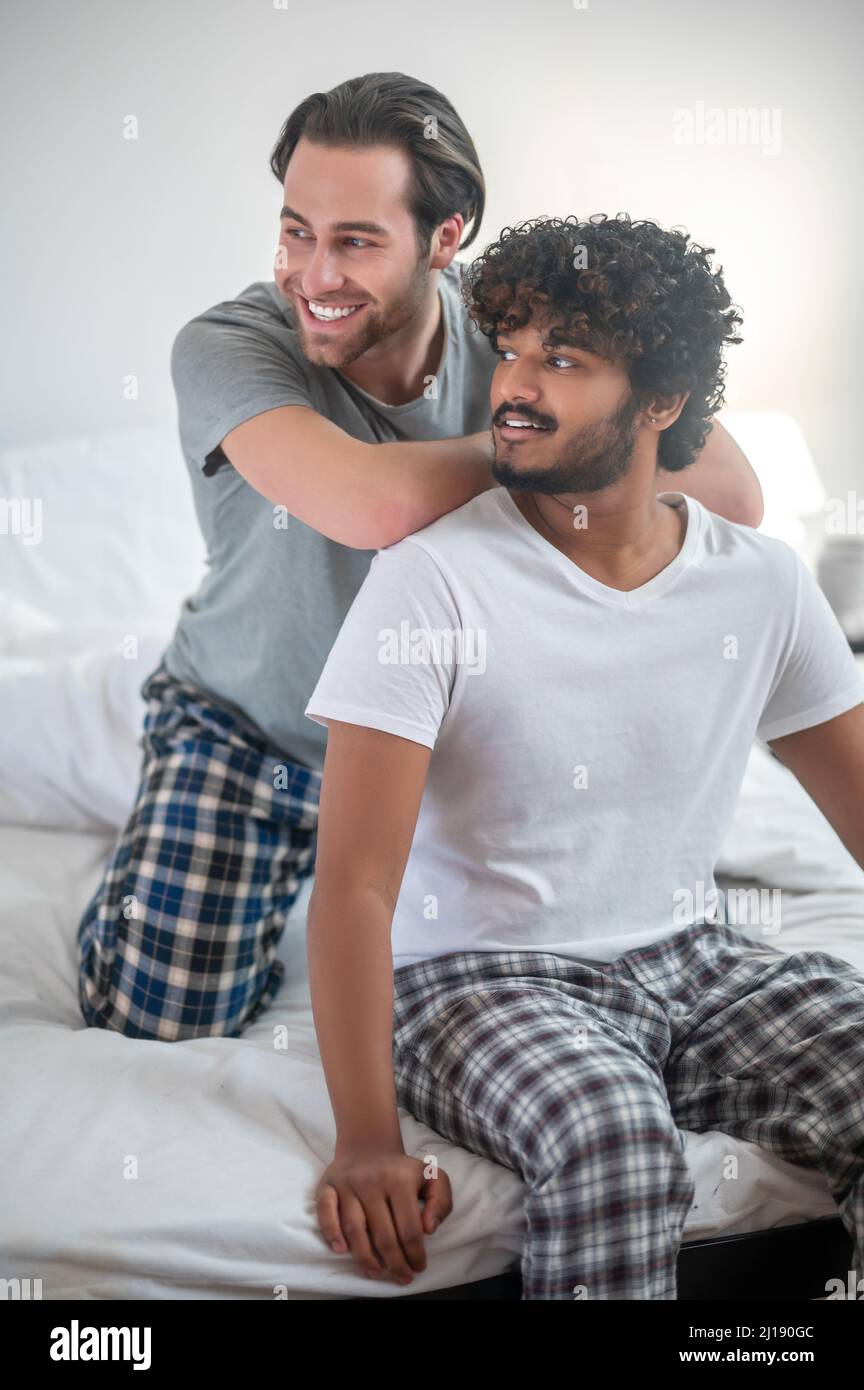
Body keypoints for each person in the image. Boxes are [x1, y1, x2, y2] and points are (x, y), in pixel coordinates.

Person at [77, 72, 762, 1042]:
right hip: (258, 731)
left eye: (355, 240)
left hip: (449, 743)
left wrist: (551, 415)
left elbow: (735, 494)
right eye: (295, 231)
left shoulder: (518, 325)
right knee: (157, 1014)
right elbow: (371, 503)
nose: (313, 274)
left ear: (447, 240)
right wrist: (553, 442)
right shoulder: (228, 346)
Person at [302, 211, 864, 1300]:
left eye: (561, 359)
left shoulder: (760, 582)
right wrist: (365, 1137)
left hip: (688, 960)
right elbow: (356, 886)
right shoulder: (434, 578)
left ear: (662, 402)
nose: (514, 385)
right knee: (616, 1144)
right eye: (509, 349)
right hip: (471, 979)